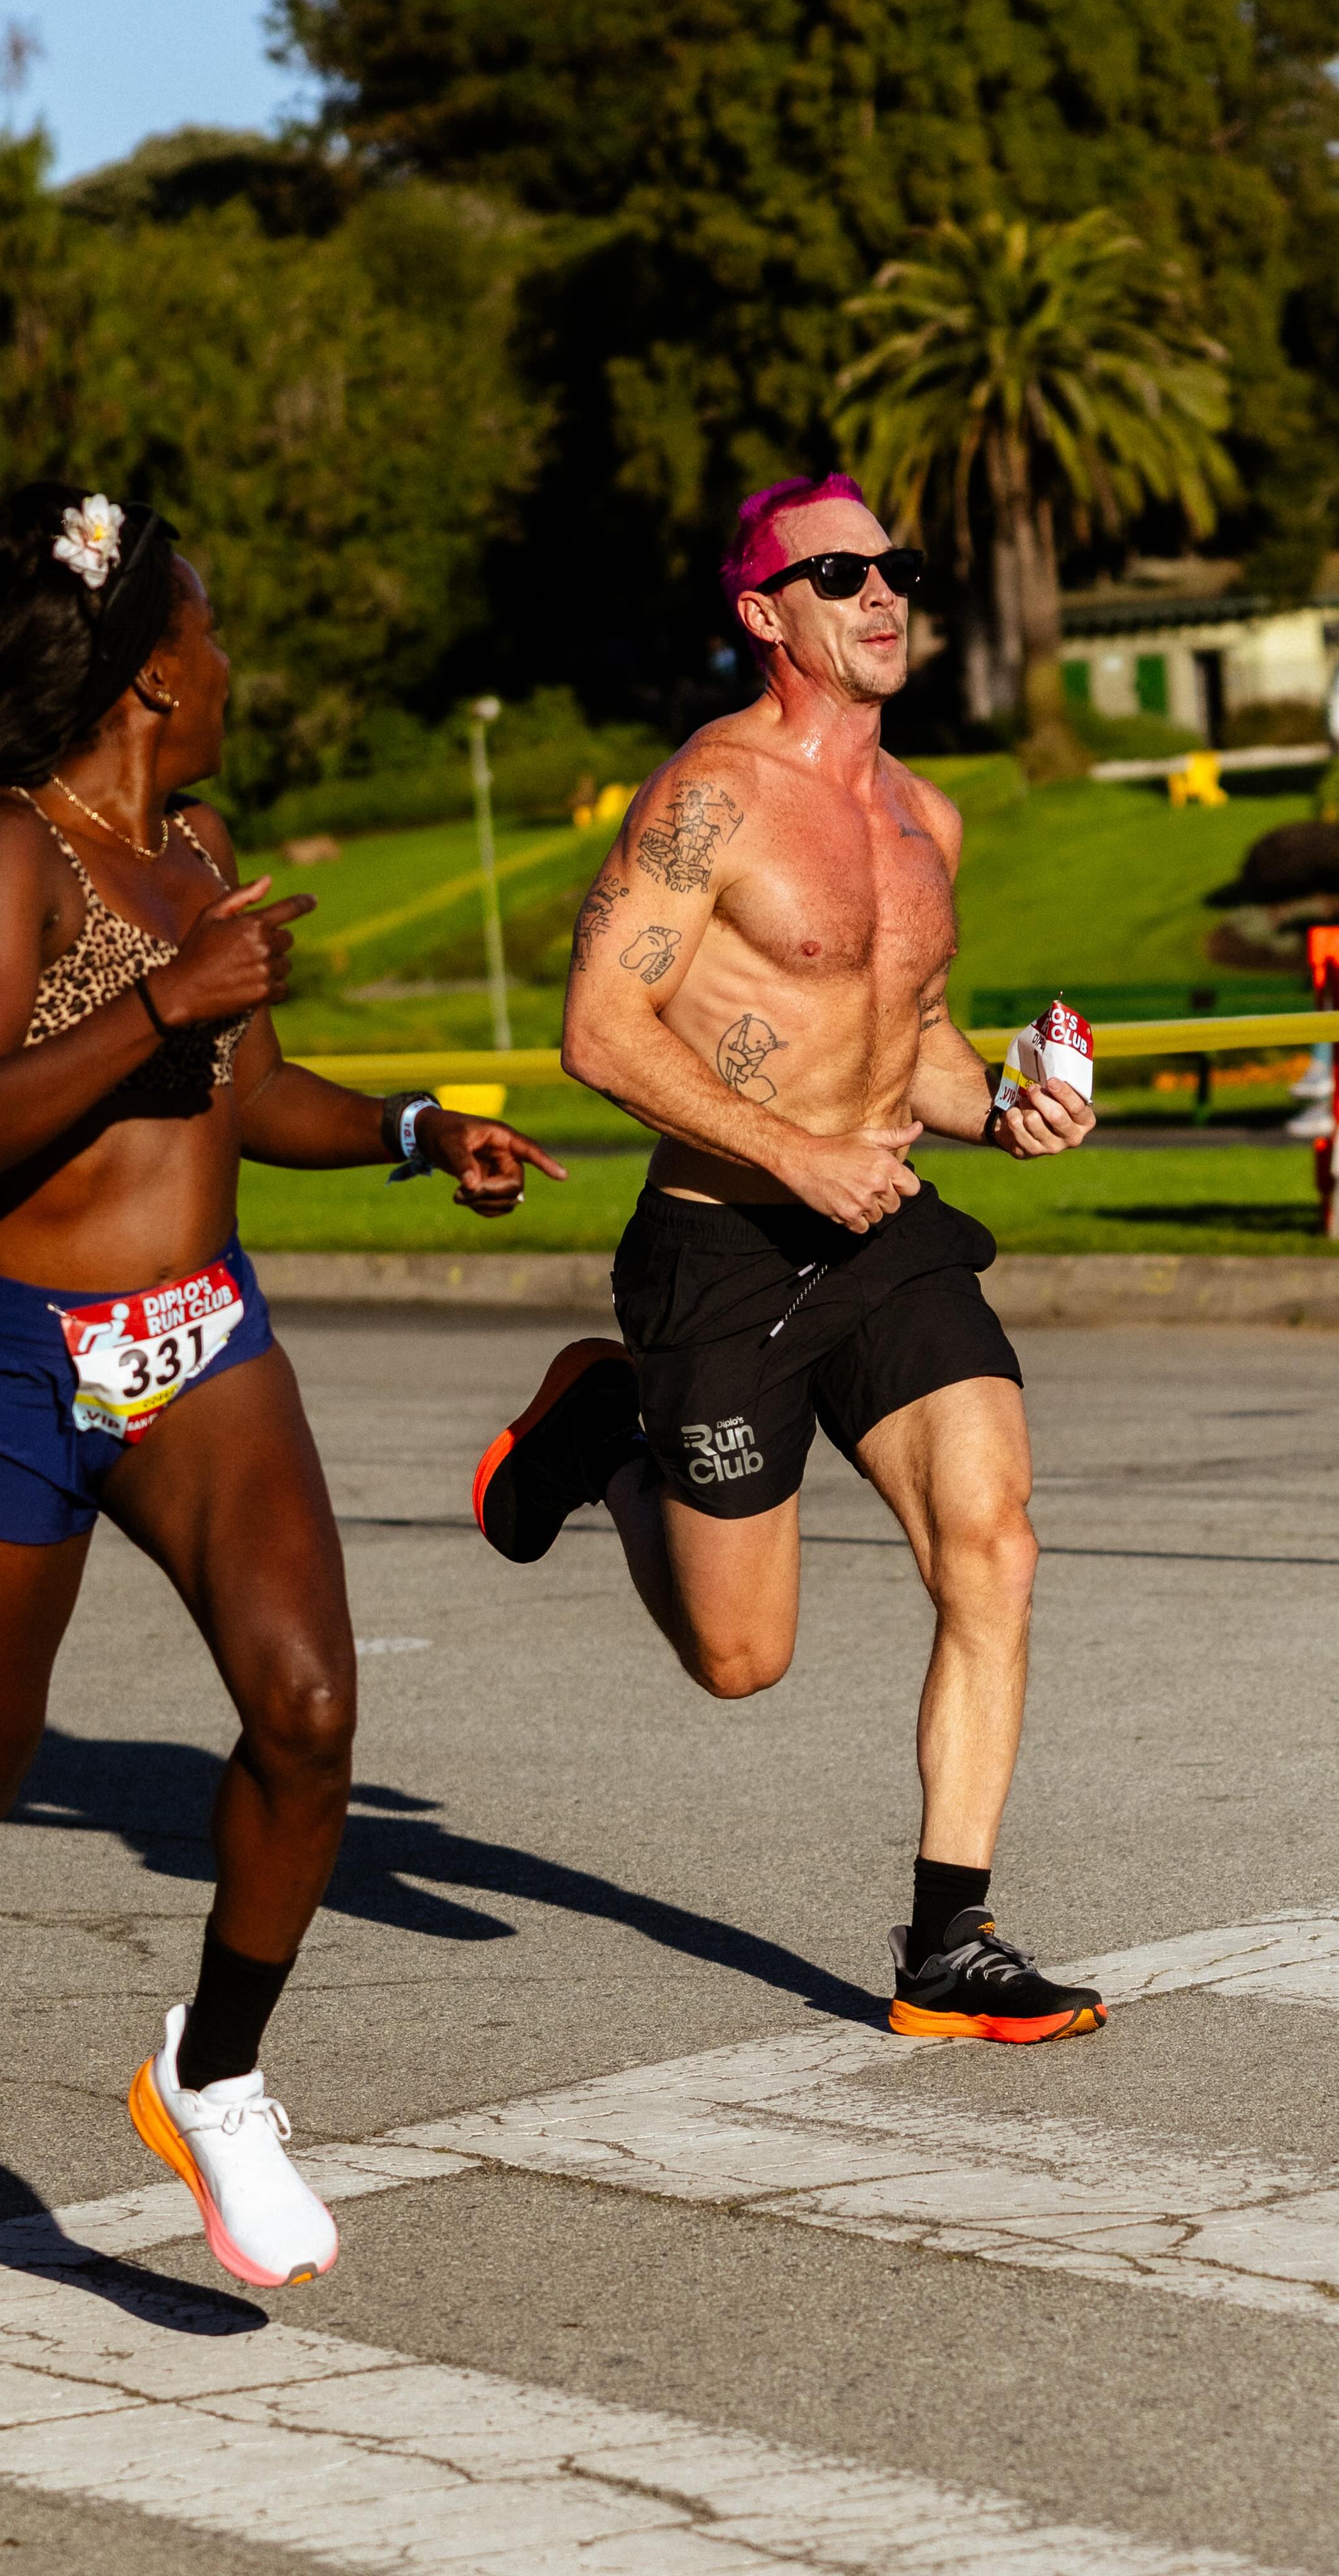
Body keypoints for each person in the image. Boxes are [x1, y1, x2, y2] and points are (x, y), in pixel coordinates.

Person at [0, 481, 561, 2310]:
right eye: (212, 638)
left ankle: (211, 2074)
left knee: (307, 1711)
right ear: (154, 672)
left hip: (196, 1340)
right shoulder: (3, 843)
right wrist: (165, 1001)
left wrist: (412, 1130)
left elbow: (253, 1092)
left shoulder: (202, 846)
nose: (231, 667)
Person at [473, 474, 1106, 2045]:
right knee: (739, 1658)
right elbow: (595, 1031)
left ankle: (946, 1943)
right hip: (721, 1249)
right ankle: (604, 1435)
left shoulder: (921, 816)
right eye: (838, 575)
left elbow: (913, 1039)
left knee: (993, 1541)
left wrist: (1000, 1107)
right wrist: (789, 1151)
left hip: (883, 1235)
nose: (880, 594)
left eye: (896, 566)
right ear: (763, 611)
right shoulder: (710, 797)